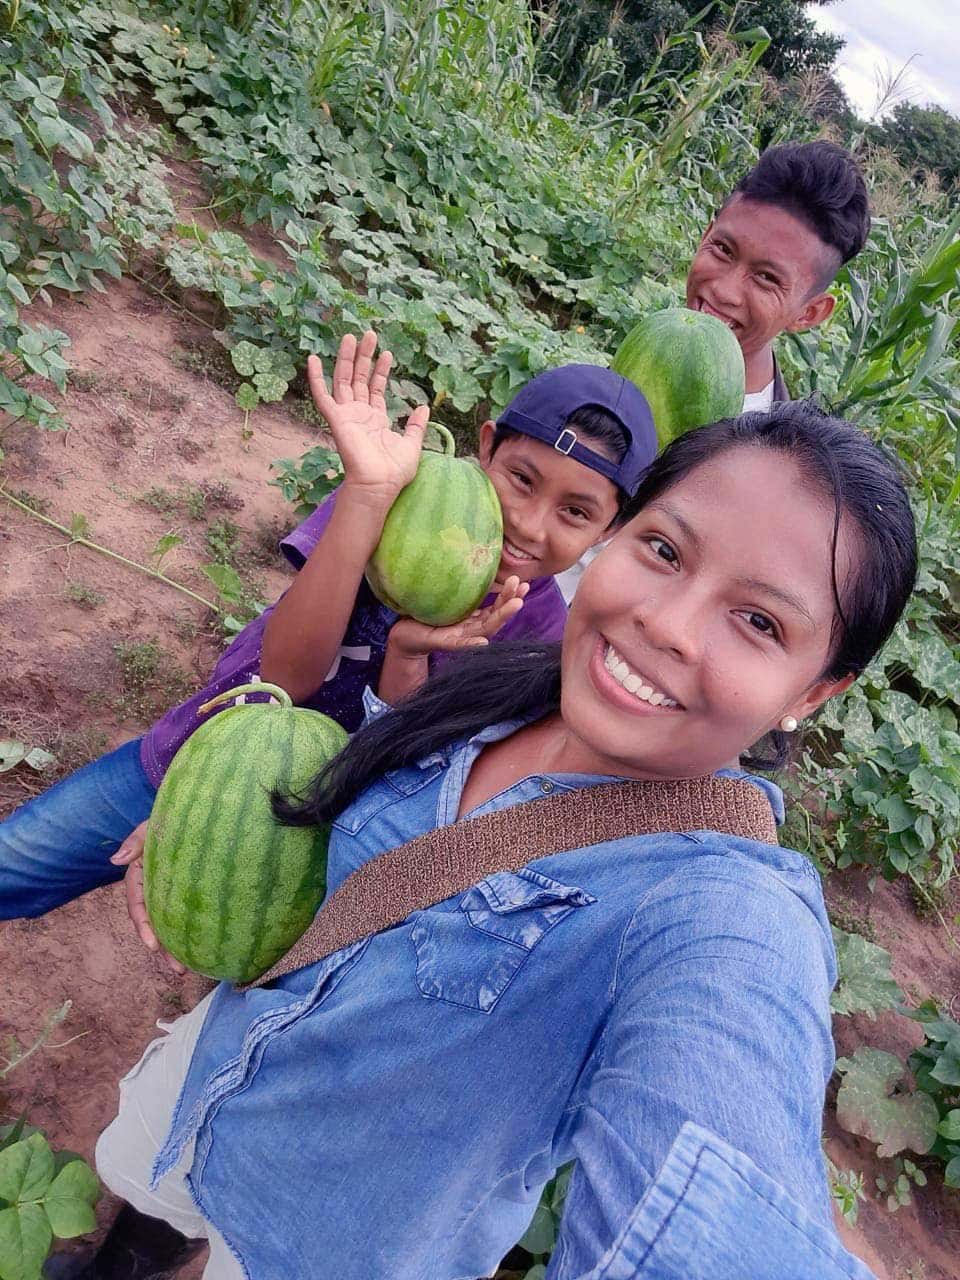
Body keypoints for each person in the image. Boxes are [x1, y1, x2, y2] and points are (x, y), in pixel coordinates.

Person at [57, 402, 915, 1279]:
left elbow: (728, 1190)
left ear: (814, 691)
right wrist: (219, 821)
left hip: (318, 1239)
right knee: (147, 1215)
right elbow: (359, 822)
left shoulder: (722, 914)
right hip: (217, 1073)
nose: (668, 624)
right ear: (618, 540)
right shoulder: (507, 686)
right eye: (665, 549)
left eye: (760, 622)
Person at [0, 332, 656, 924]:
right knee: (18, 863)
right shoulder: (396, 500)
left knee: (223, 942)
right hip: (207, 753)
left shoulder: (541, 636)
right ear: (487, 446)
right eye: (521, 479)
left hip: (305, 836)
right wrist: (366, 499)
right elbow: (287, 676)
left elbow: (409, 766)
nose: (530, 525)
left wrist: (406, 655)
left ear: (611, 529)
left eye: (575, 512)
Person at [556, 139, 871, 603]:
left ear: (810, 312)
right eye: (723, 249)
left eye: (766, 278)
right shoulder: (643, 351)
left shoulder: (773, 463)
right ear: (706, 234)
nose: (723, 290)